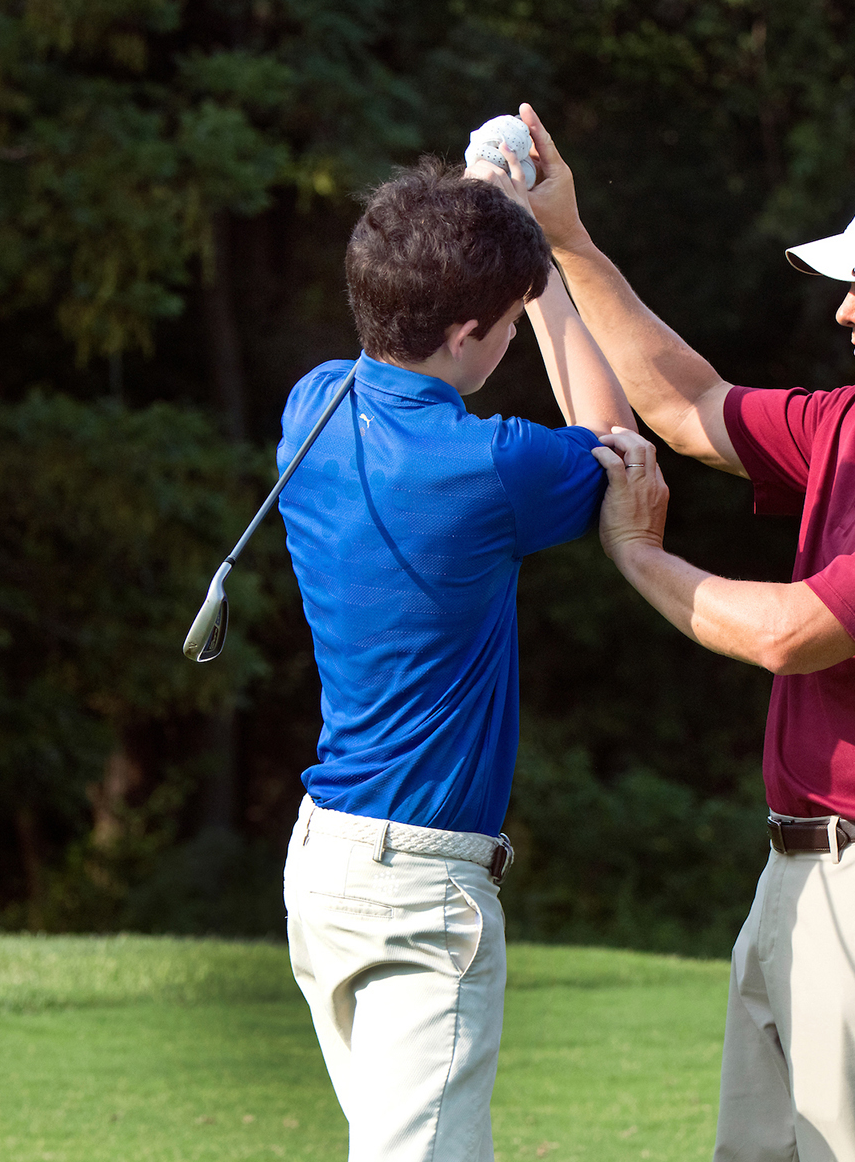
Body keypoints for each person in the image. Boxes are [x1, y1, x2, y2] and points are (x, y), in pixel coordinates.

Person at [518, 104, 855, 1162]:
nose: (845, 311)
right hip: (798, 872)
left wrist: (638, 554)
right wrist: (569, 241)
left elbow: (792, 633)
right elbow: (690, 404)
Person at [277, 150, 634, 1162]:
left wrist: (483, 216)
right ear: (469, 333)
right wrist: (545, 262)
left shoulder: (311, 406)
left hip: (324, 862)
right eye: (509, 323)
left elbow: (419, 278)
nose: (516, 338)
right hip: (419, 892)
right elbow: (620, 444)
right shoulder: (492, 466)